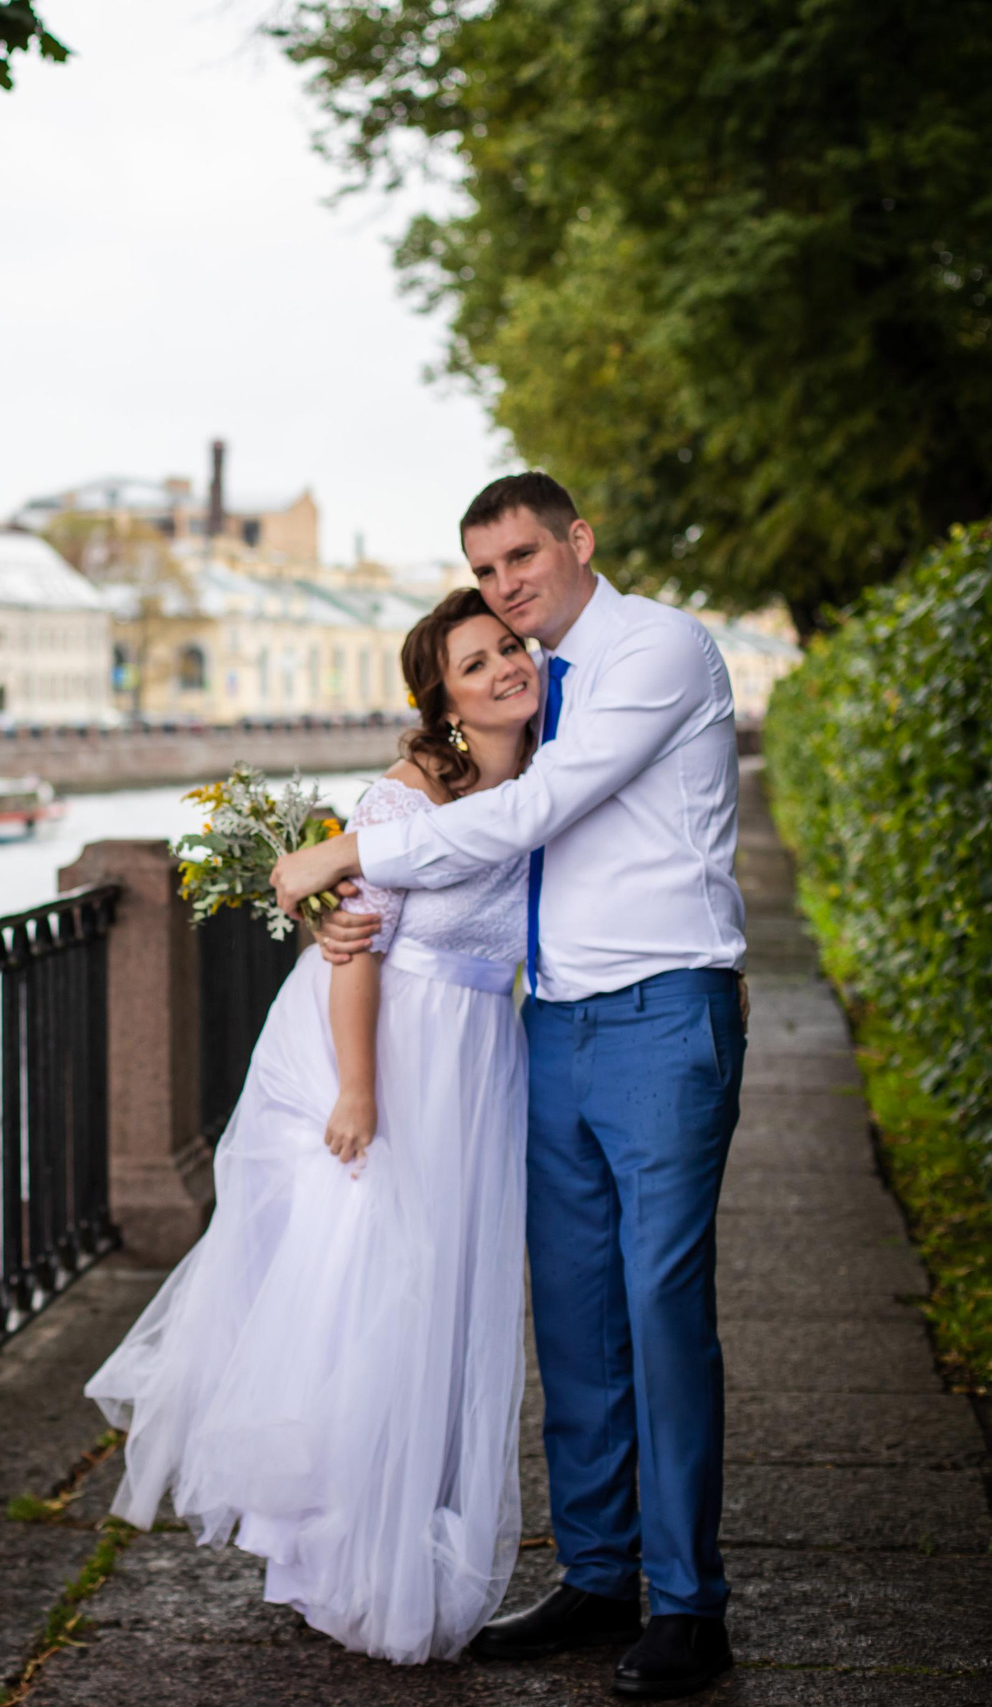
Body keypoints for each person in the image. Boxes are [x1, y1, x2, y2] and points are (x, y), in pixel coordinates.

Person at [270, 471, 748, 1700]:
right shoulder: (542, 683)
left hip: (662, 1011)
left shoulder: (655, 650)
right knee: (576, 1320)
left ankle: (687, 1605)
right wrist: (354, 913)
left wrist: (348, 851)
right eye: (485, 571)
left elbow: (536, 811)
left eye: (522, 557)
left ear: (578, 540)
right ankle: (597, 1574)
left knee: (659, 1308)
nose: (506, 586)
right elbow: (470, 815)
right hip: (550, 1026)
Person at [86, 587, 541, 1664]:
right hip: (390, 1044)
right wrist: (359, 1091)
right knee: (375, 1286)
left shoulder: (548, 767)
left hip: (481, 1050)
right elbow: (356, 952)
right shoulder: (402, 796)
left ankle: (410, 1533)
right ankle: (339, 1551)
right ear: (443, 701)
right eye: (474, 664)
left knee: (450, 1294)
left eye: (507, 647)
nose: (503, 669)